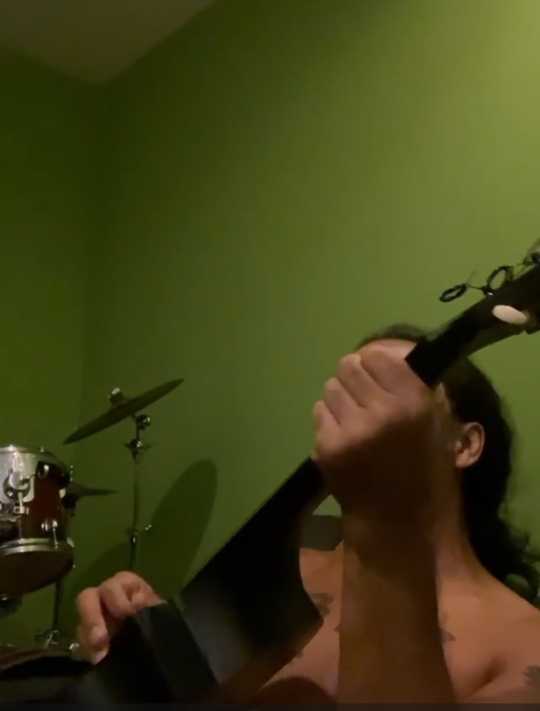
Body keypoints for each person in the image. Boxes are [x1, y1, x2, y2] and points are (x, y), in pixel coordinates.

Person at [74, 324, 540, 703]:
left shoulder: (524, 644)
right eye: (350, 399)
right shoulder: (285, 572)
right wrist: (147, 657)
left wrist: (386, 524)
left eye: (399, 391)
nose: (364, 418)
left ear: (465, 444)